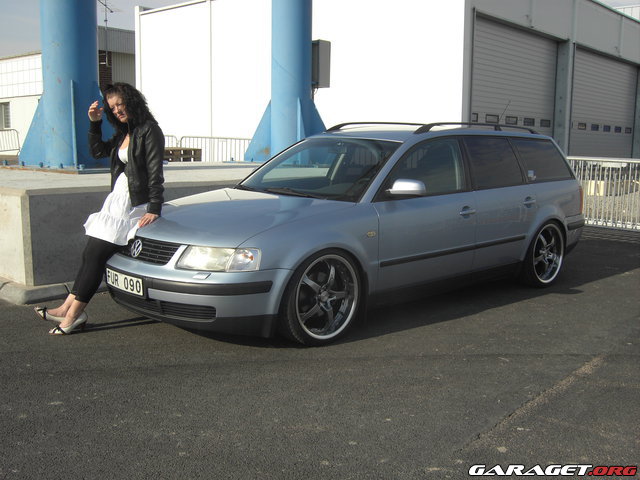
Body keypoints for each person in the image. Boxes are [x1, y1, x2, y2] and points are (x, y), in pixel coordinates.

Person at [34, 83, 165, 335]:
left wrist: (154, 207)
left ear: (132, 101)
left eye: (120, 104)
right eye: (112, 108)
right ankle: (66, 308)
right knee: (89, 255)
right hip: (116, 201)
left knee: (95, 256)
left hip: (133, 205)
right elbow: (97, 151)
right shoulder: (125, 132)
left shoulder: (150, 130)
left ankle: (73, 315)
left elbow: (155, 171)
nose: (117, 110)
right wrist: (94, 123)